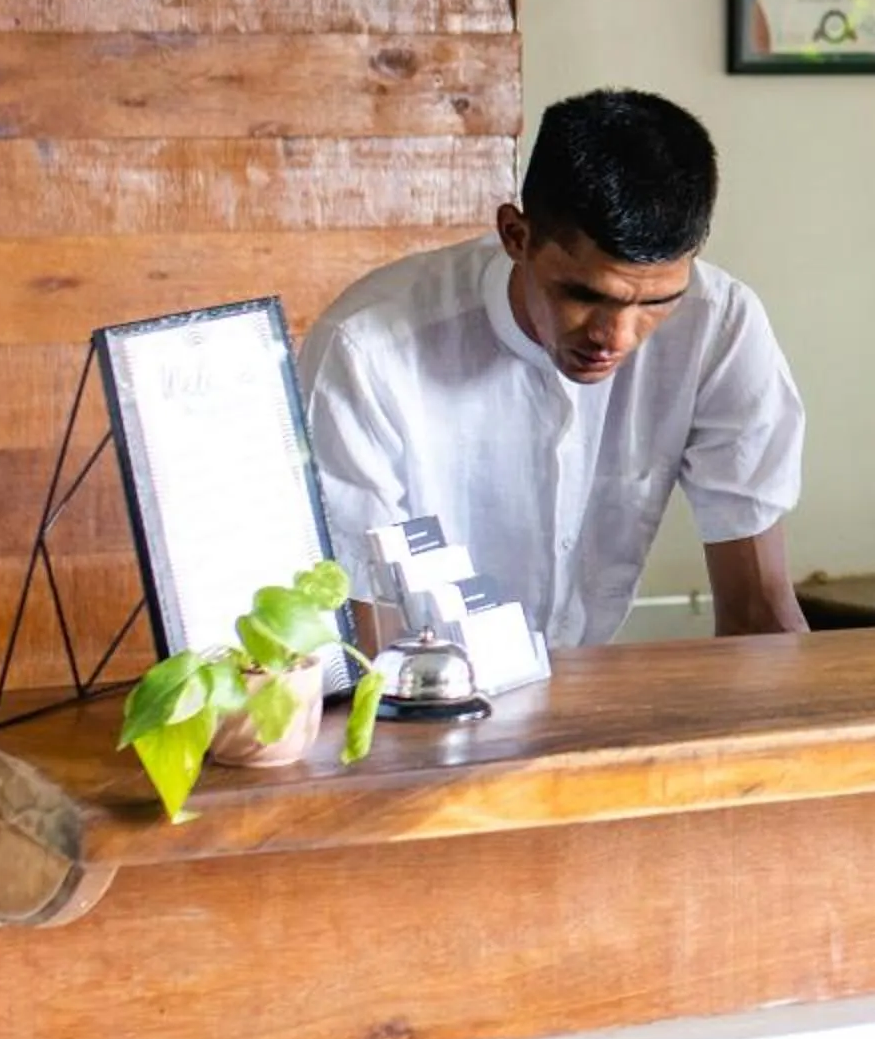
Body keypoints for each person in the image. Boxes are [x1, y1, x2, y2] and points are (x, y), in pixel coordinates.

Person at [299, 87, 808, 647]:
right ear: (516, 236)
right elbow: (371, 656)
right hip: (426, 698)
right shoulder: (367, 349)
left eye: (655, 302)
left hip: (596, 692)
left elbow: (760, 617)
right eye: (583, 294)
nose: (614, 336)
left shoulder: (721, 324)